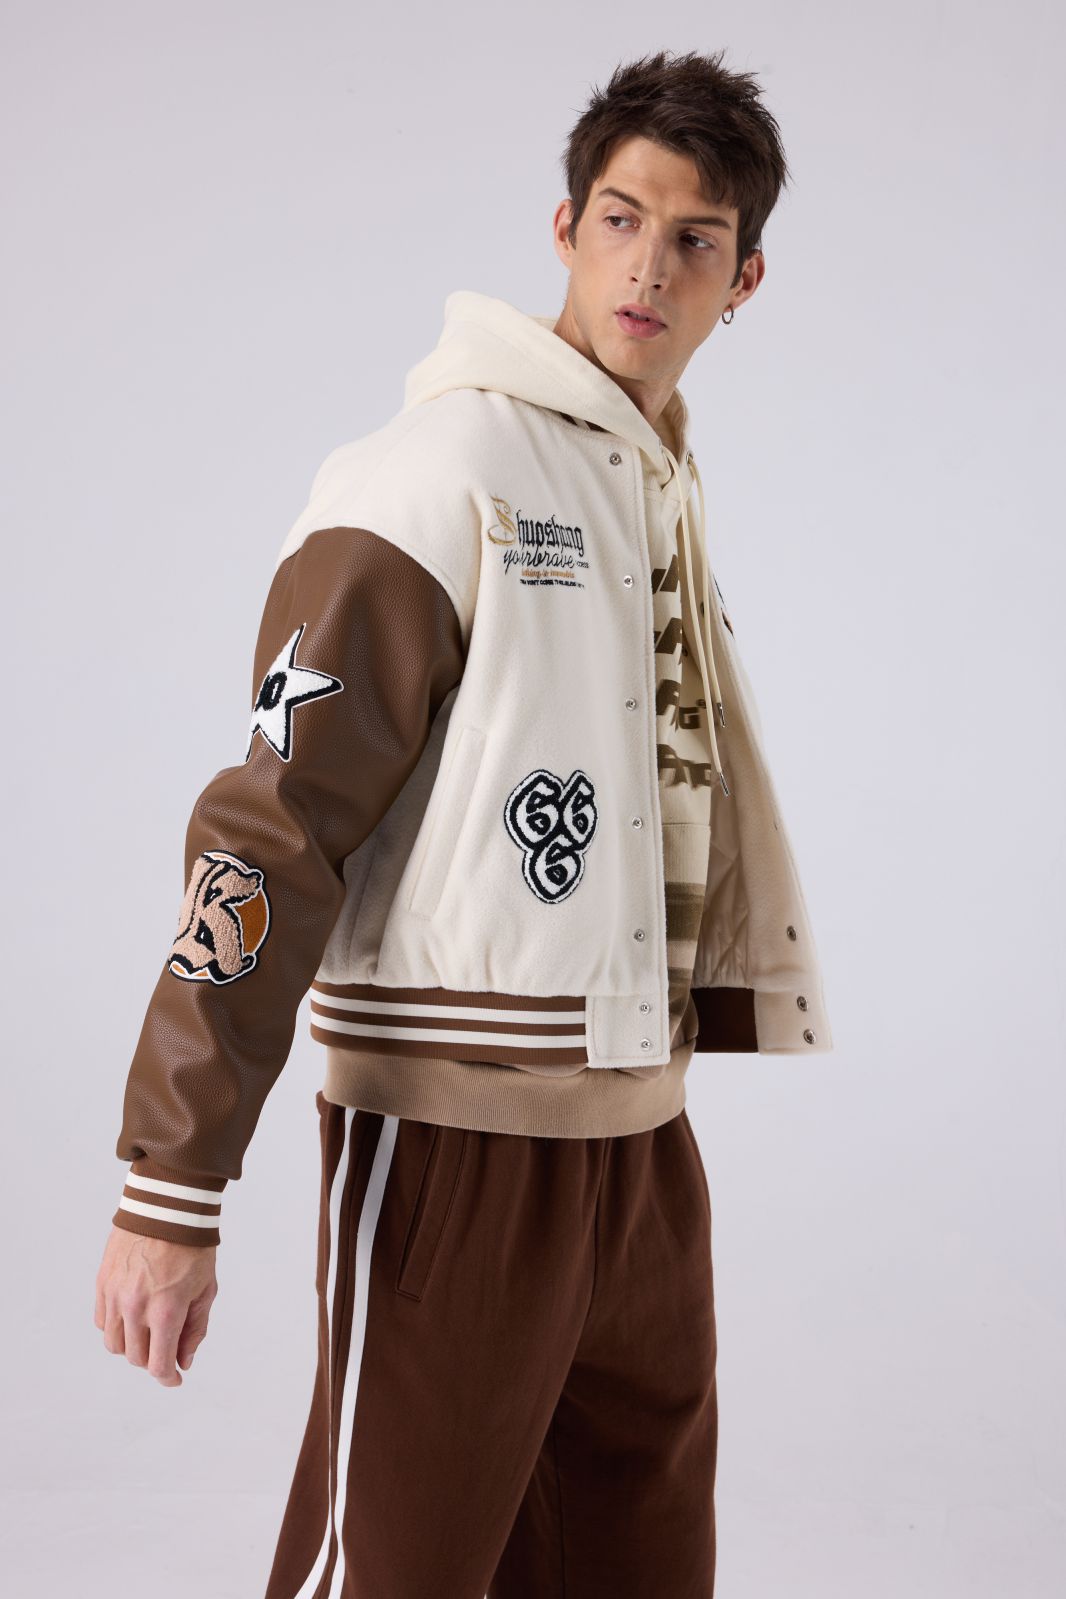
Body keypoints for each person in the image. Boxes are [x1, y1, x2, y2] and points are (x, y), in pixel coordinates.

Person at [94, 46, 832, 1599]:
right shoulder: (432, 474)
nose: (648, 266)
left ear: (744, 277)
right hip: (450, 1139)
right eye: (619, 219)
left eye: (693, 238)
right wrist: (172, 1181)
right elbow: (270, 826)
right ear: (562, 227)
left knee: (637, 1566)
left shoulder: (650, 486)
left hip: (638, 1141)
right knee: (391, 1573)